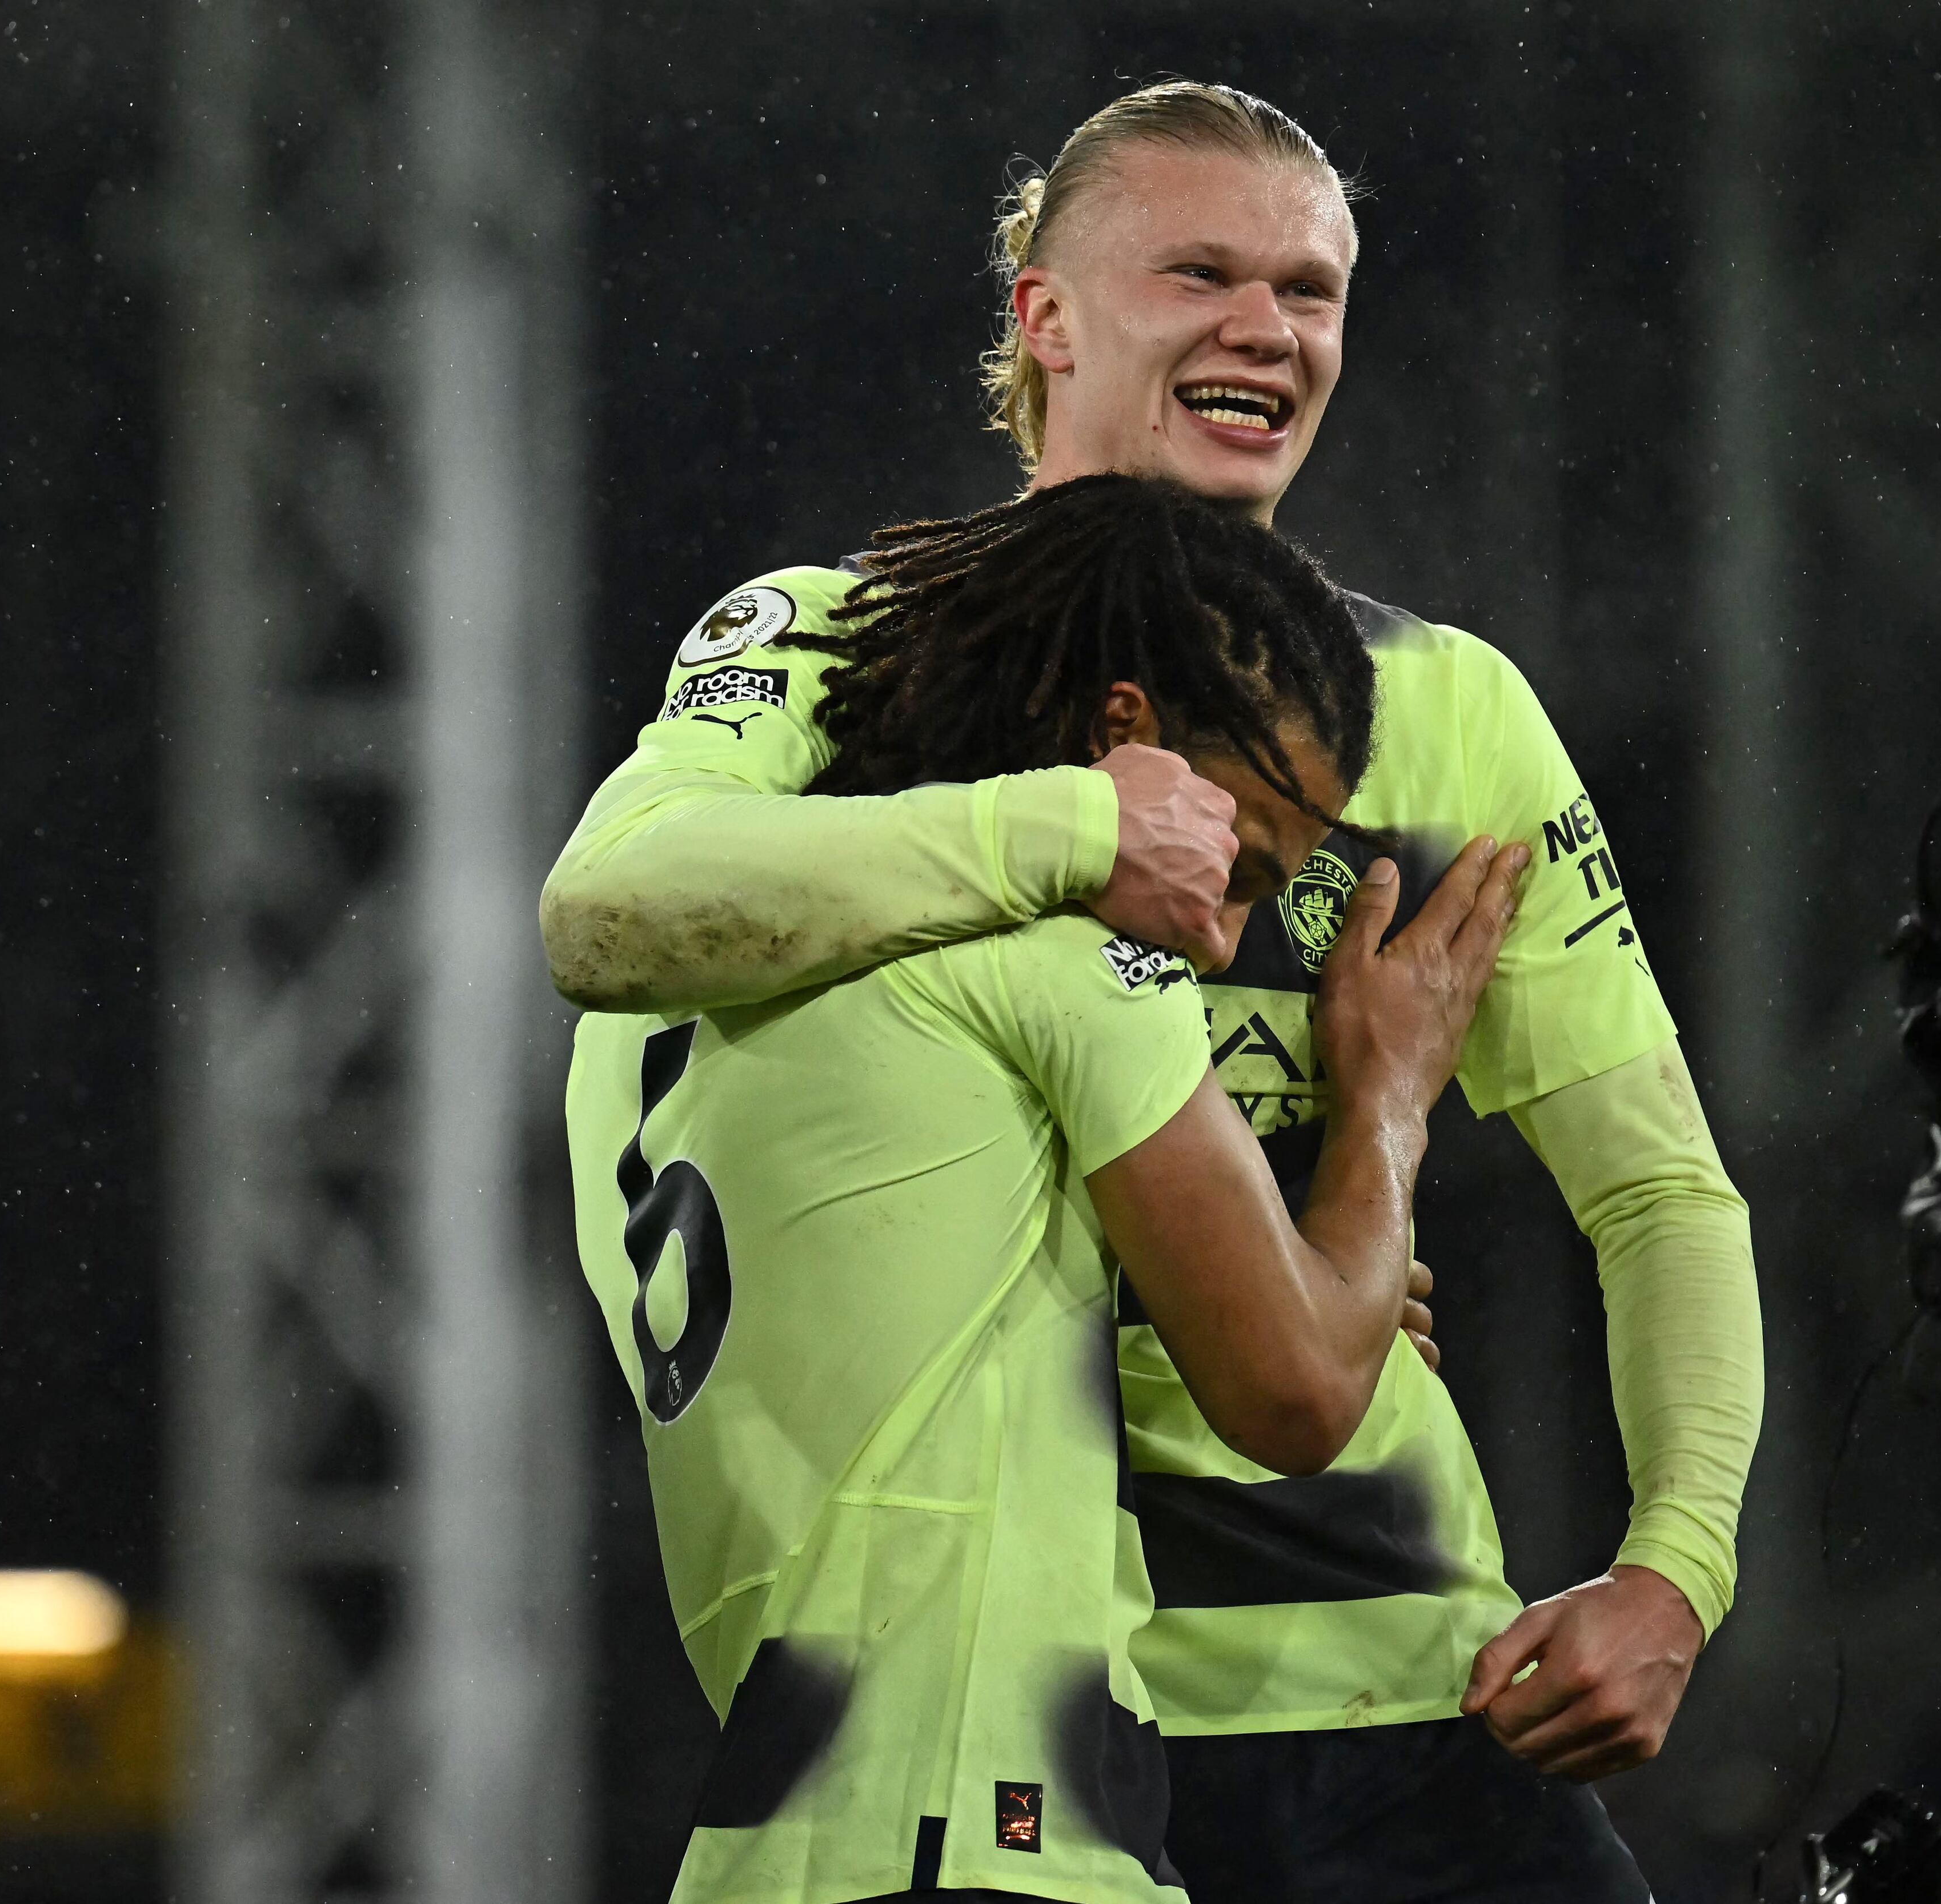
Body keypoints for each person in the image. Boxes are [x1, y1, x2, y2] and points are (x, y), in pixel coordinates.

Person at [544, 81, 1764, 1903]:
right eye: (1201, 270)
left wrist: (1678, 1560)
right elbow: (612, 912)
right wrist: (1071, 839)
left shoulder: (1452, 708)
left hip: (1402, 1689)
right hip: (1003, 1702)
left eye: (1313, 290)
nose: (1267, 328)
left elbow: (1659, 1185)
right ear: (1043, 316)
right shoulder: (835, 645)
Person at [568, 474, 1519, 1904]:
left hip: (786, 1823)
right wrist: (1383, 1107)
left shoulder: (664, 1025)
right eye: (1238, 858)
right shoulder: (1064, 962)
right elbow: (1302, 1393)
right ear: (1121, 737)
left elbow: (895, 1247)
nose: (1222, 935)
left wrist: (1198, 1267)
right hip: (983, 1818)